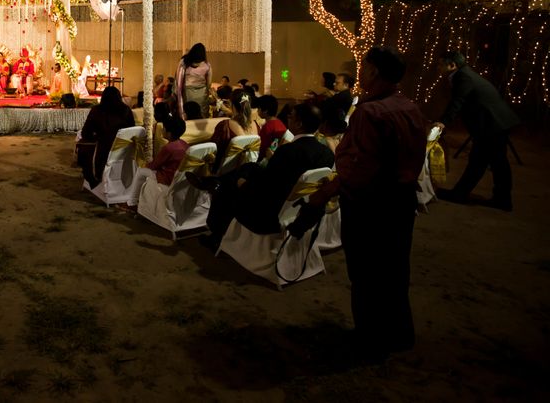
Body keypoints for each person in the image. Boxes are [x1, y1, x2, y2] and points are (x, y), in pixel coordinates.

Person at [304, 46, 429, 359]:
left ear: (373, 71)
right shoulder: (409, 107)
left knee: (366, 273)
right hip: (401, 201)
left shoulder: (369, 113)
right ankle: (400, 334)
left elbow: (358, 166)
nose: (360, 71)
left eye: (364, 66)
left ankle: (369, 340)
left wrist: (324, 193)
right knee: (396, 269)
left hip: (371, 204)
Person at [192, 102, 335, 251]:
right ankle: (216, 181)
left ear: (299, 124)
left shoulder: (287, 152)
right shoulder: (326, 154)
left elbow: (267, 188)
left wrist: (243, 184)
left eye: (291, 117)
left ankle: (216, 236)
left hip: (268, 214)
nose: (288, 118)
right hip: (300, 209)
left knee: (227, 190)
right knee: (250, 167)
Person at [435, 51, 520, 210]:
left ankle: (462, 194)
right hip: (496, 122)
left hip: (493, 124)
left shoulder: (463, 77)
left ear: (452, 65)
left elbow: (457, 102)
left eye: (441, 64)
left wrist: (443, 122)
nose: (438, 67)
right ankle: (501, 199)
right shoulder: (464, 75)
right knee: (492, 162)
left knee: (484, 161)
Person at [77, 86, 134, 187]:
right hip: (124, 150)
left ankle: (94, 177)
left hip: (103, 150)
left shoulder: (97, 110)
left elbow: (86, 132)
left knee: (83, 147)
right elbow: (131, 129)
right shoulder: (126, 110)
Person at [129, 116, 189, 204]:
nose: (162, 130)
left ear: (169, 133)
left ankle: (132, 202)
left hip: (167, 178)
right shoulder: (185, 144)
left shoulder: (169, 148)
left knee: (140, 171)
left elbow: (153, 166)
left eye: (163, 128)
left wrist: (143, 164)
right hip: (180, 178)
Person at [208, 88, 259, 163]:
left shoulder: (225, 125)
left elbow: (212, 150)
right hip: (248, 169)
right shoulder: (256, 125)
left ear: (232, 105)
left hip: (226, 171)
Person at [175, 42, 214, 119]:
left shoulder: (184, 62)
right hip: (202, 94)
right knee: (201, 115)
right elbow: (209, 84)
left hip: (188, 93)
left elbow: (178, 83)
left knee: (190, 114)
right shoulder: (207, 65)